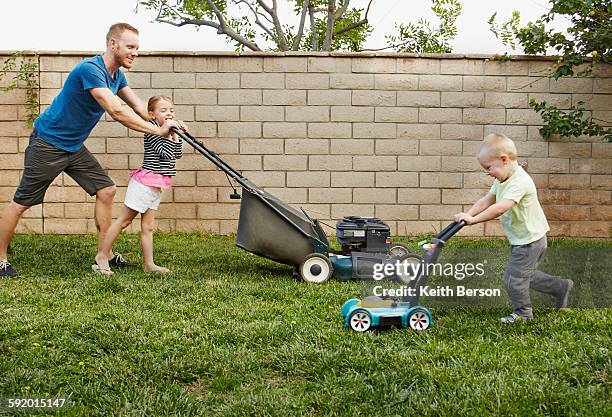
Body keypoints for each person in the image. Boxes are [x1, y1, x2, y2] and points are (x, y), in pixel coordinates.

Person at [0, 23, 183, 278]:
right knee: (21, 203)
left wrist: (167, 123)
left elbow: (139, 107)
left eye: (137, 48)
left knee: (106, 190)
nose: (135, 53)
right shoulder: (91, 70)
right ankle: (0, 259)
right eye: (130, 47)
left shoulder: (117, 75)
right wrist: (157, 131)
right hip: (48, 143)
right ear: (113, 45)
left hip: (73, 146)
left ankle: (104, 255)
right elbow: (116, 110)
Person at [454, 133, 574, 324]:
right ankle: (561, 286)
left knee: (513, 279)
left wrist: (473, 220)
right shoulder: (502, 179)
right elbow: (487, 200)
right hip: (524, 239)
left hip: (530, 240)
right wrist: (467, 214)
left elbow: (499, 208)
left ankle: (523, 313)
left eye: (488, 167)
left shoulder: (520, 182)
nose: (487, 172)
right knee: (527, 276)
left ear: (504, 159)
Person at [93, 96, 184, 275]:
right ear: (152, 114)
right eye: (163, 110)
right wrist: (172, 133)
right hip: (143, 184)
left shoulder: (166, 132)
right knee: (124, 221)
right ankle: (102, 256)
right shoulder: (153, 132)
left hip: (155, 186)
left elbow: (177, 154)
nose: (169, 114)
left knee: (147, 227)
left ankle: (148, 264)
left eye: (171, 110)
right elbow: (167, 153)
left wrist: (177, 135)